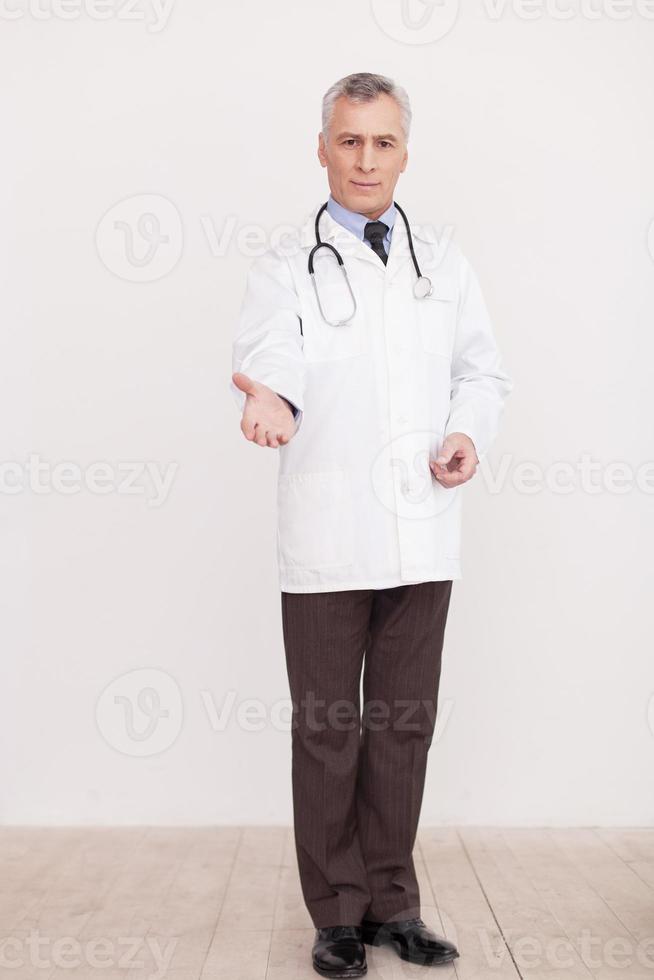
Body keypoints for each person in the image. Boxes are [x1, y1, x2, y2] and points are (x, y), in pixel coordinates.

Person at [230, 72, 512, 977]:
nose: (365, 159)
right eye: (348, 141)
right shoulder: (285, 267)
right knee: (326, 729)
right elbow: (271, 353)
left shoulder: (446, 263)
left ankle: (395, 903)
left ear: (404, 150)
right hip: (326, 532)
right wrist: (271, 395)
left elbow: (482, 372)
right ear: (322, 148)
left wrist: (467, 431)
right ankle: (337, 915)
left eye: (382, 142)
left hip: (422, 530)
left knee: (401, 726)